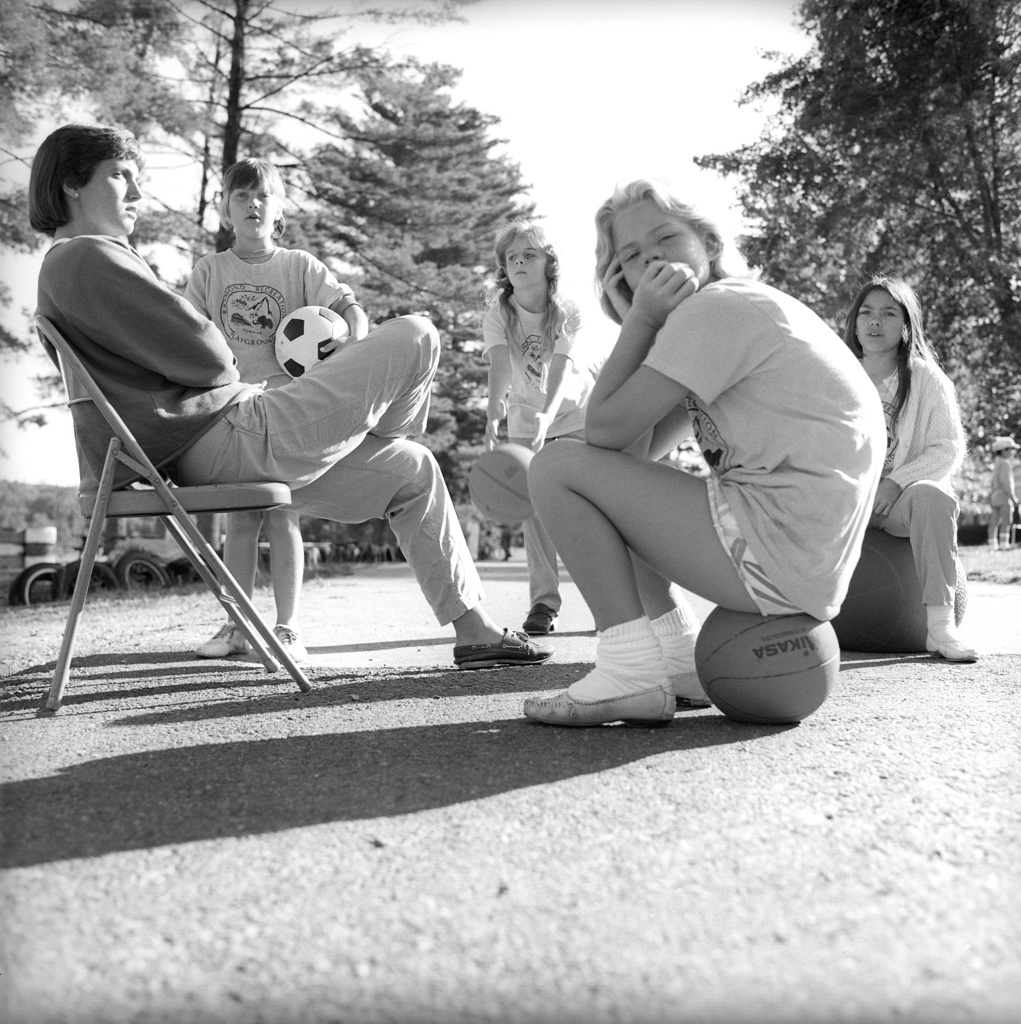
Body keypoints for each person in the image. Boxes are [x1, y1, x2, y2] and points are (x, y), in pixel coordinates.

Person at [29, 123, 552, 672]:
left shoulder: (76, 265)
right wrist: (226, 367)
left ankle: (474, 632)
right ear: (71, 184)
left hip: (213, 445)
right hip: (225, 436)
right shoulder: (89, 256)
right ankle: (370, 429)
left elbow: (184, 352)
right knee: (419, 334)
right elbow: (210, 354)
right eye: (121, 177)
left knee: (413, 469)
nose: (136, 195)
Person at [522, 179, 886, 727]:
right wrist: (642, 324)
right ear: (620, 278)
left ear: (709, 244)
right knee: (610, 487)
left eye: (667, 237)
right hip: (799, 559)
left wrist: (641, 321)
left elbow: (602, 432)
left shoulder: (717, 308)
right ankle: (676, 661)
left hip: (778, 549)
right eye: (633, 257)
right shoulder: (722, 317)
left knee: (555, 467)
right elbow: (629, 454)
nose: (654, 259)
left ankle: (629, 669)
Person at [185, 158, 370, 663]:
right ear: (225, 209)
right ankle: (236, 623)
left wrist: (353, 339)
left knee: (283, 514)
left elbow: (351, 308)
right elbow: (186, 338)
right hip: (232, 411)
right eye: (241, 196)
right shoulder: (209, 271)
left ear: (279, 210)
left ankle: (287, 626)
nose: (253, 204)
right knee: (241, 520)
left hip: (289, 408)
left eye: (263, 196)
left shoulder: (301, 267)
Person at [843, 274, 978, 662]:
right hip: (848, 502)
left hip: (899, 505)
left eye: (888, 313)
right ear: (854, 323)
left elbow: (948, 447)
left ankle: (939, 628)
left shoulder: (925, 379)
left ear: (905, 326)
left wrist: (897, 483)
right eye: (866, 312)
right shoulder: (836, 376)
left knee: (933, 495)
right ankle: (788, 619)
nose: (874, 322)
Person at [481, 221, 599, 636]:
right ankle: (544, 604)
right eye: (511, 257)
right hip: (524, 424)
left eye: (529, 254)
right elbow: (499, 365)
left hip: (574, 418)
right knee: (534, 515)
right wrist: (495, 408)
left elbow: (565, 366)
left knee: (587, 511)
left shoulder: (567, 310)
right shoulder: (499, 314)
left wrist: (548, 414)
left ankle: (609, 602)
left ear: (550, 262)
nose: (519, 262)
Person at [987, 436, 1019, 549]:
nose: (1011, 452)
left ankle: (992, 544)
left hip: (995, 496)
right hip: (1004, 495)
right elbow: (1006, 481)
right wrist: (1012, 496)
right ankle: (1004, 544)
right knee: (1006, 520)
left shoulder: (996, 463)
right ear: (1004, 450)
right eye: (1010, 449)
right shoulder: (1005, 464)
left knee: (994, 521)